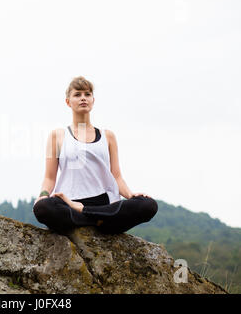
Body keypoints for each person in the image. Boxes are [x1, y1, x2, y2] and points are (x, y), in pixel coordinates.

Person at [33, 76, 158, 235]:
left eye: (87, 94)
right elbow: (50, 177)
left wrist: (130, 194)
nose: (83, 98)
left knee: (148, 205)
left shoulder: (108, 136)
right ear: (68, 102)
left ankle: (86, 214)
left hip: (104, 203)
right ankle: (100, 221)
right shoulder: (56, 136)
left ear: (93, 100)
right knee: (43, 208)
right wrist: (43, 195)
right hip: (68, 202)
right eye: (77, 94)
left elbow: (116, 176)